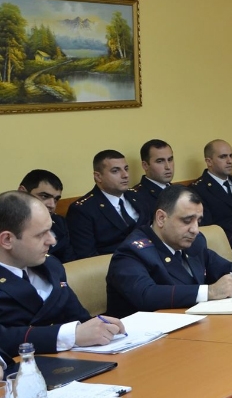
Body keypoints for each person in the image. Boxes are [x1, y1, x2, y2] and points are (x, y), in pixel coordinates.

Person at [106, 186, 232, 318]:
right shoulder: (132, 252)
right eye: (187, 220)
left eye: (198, 221)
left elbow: (222, 266)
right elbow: (146, 295)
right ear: (161, 218)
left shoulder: (194, 241)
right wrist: (210, 291)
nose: (195, 229)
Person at [0, 191, 125, 356]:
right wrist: (71, 335)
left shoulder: (51, 265)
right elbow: (5, 338)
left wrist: (100, 327)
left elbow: (78, 317)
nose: (52, 241)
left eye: (50, 230)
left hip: (74, 359)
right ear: (7, 240)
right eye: (40, 235)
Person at [66, 149, 148, 258]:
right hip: (115, 264)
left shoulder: (138, 196)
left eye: (126, 169)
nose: (125, 175)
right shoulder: (83, 209)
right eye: (115, 171)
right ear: (98, 176)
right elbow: (88, 256)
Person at [190, 139, 232, 256]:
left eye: (231, 156)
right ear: (209, 161)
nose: (229, 161)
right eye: (223, 157)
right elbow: (208, 228)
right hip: (227, 246)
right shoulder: (198, 189)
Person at [18, 169, 72, 263]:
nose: (52, 205)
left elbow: (70, 259)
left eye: (56, 199)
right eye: (44, 196)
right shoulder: (6, 224)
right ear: (22, 192)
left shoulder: (59, 223)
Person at [130, 139, 175, 214]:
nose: (168, 167)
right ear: (145, 165)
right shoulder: (136, 197)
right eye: (160, 161)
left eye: (170, 160)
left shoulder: (179, 190)